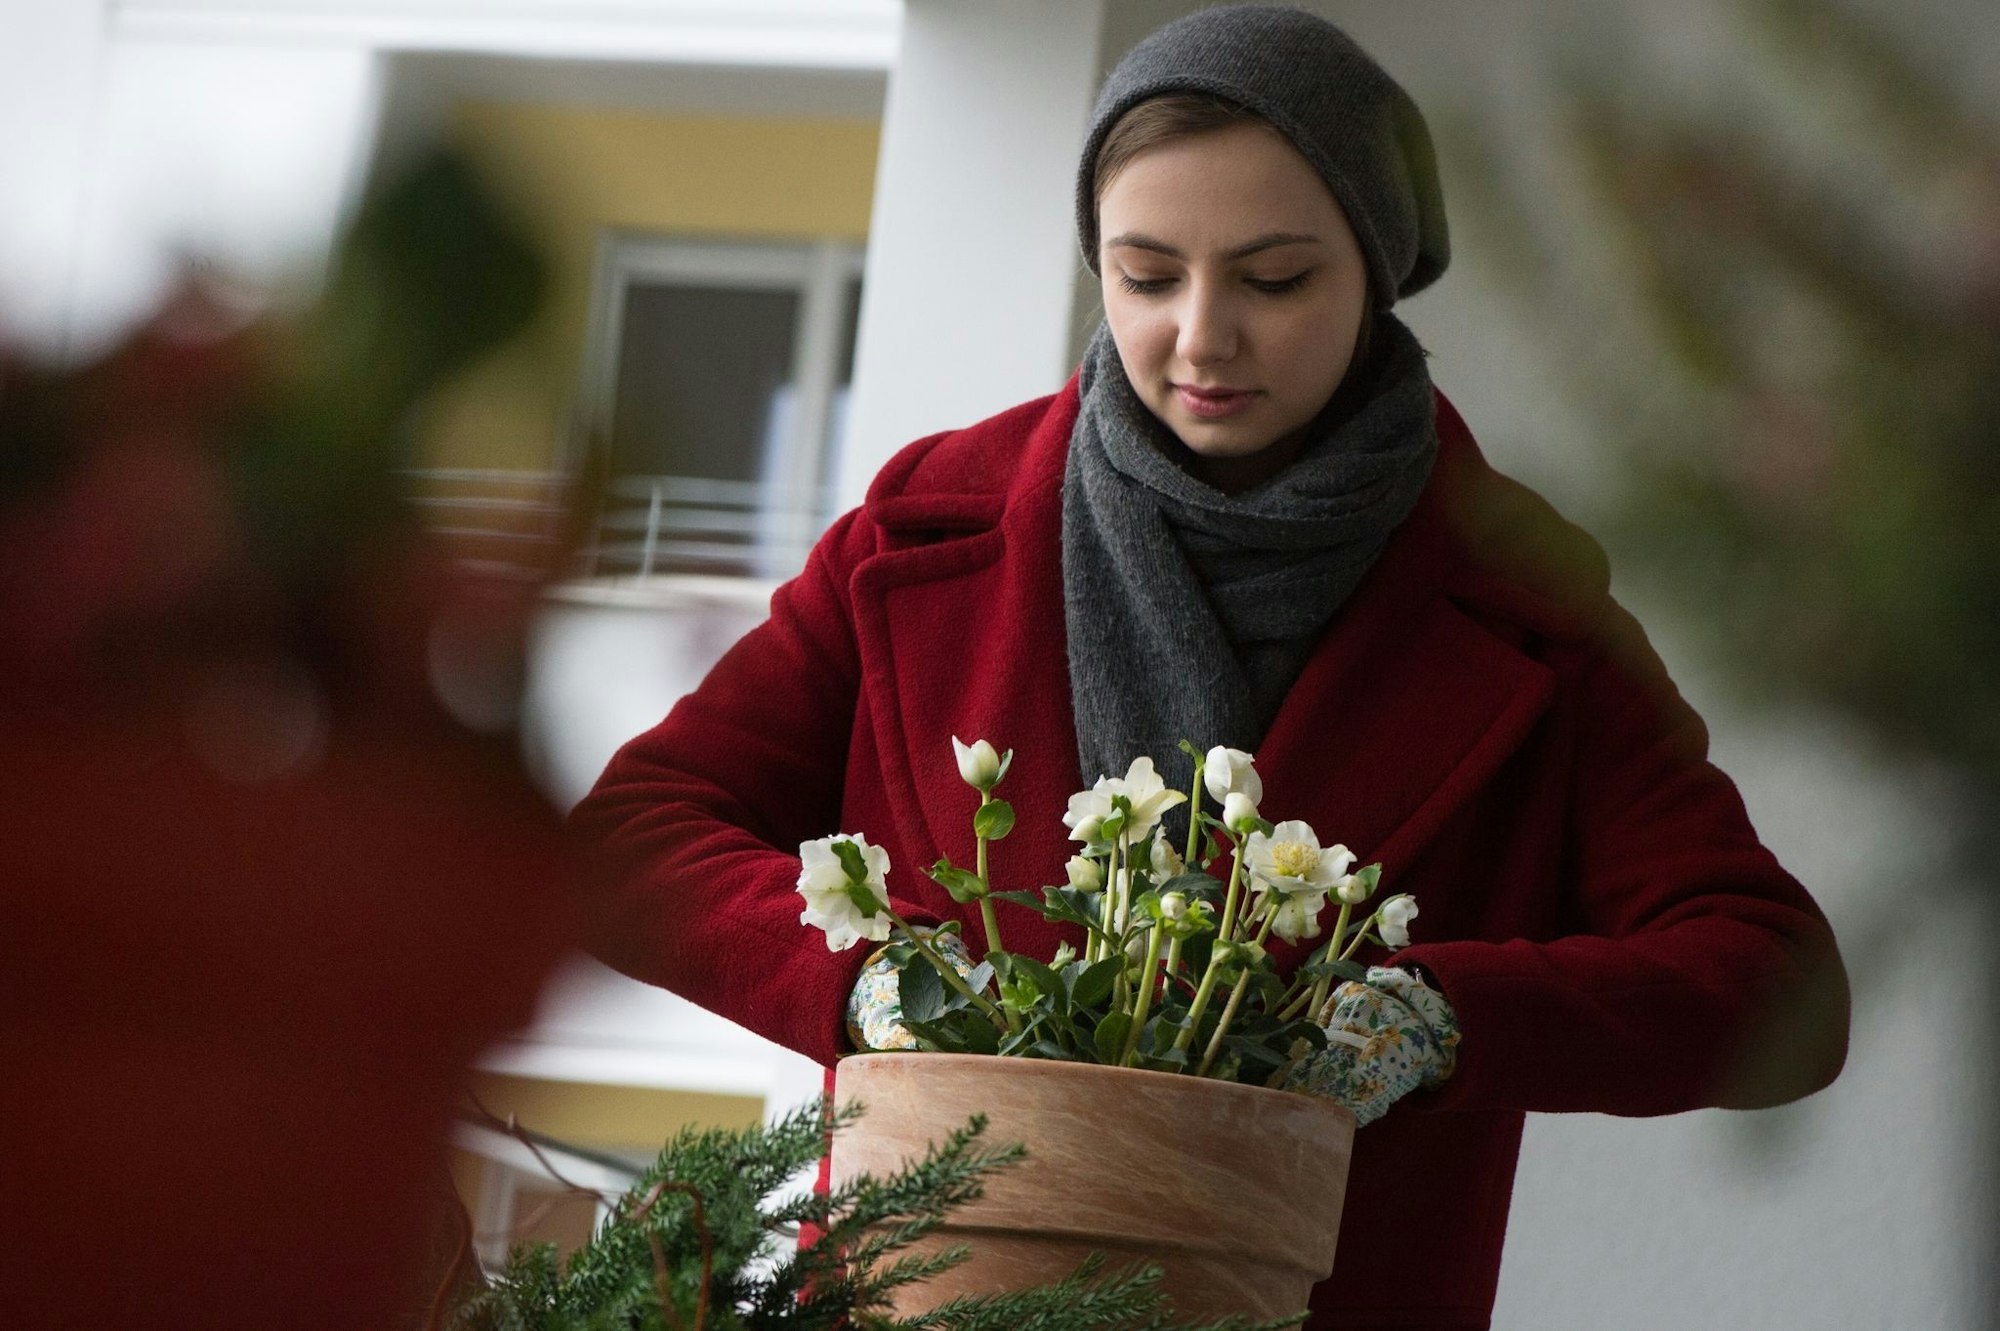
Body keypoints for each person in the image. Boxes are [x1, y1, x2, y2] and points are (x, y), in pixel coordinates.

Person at [570, 7, 1849, 1328]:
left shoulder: (1524, 605)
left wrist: (1436, 1019)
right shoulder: (921, 533)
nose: (1199, 336)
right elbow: (625, 844)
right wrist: (865, 984)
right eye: (1144, 274)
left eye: (1275, 279)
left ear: (1377, 266)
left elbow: (1778, 984)